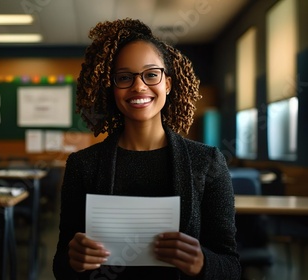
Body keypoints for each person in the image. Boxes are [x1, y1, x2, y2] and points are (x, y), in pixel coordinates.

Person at [53, 18, 241, 279]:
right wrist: (73, 261)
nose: (139, 86)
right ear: (111, 88)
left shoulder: (207, 162)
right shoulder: (83, 165)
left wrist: (203, 263)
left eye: (151, 74)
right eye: (124, 77)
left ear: (168, 84)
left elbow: (231, 267)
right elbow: (62, 266)